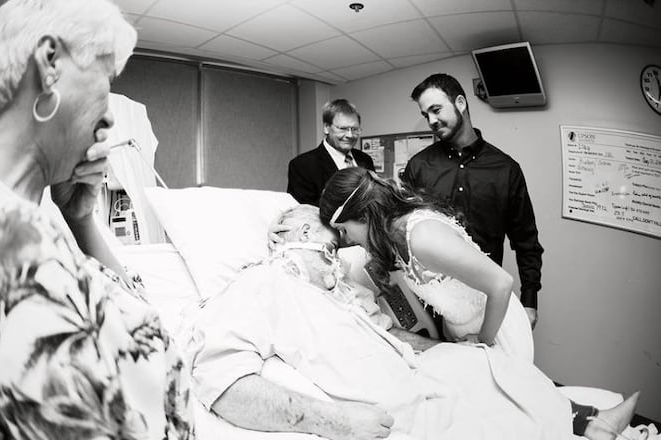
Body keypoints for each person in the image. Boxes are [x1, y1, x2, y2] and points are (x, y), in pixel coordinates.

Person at [0, 1, 193, 438]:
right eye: (105, 80)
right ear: (50, 64)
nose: (111, 114)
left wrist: (80, 221)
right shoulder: (15, 254)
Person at [187, 204, 639, 440]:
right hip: (402, 413)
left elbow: (383, 333)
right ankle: (583, 427)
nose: (340, 243)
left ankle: (587, 422)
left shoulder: (334, 289)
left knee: (488, 366)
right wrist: (335, 422)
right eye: (330, 230)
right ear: (298, 233)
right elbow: (221, 380)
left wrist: (442, 351)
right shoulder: (266, 285)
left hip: (417, 374)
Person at [320, 167, 533, 361]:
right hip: (460, 330)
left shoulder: (422, 237)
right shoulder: (394, 236)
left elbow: (501, 283)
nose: (346, 239)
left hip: (495, 329)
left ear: (365, 215)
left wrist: (482, 341)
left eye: (344, 230)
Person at [404, 73, 544, 329]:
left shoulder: (506, 170)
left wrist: (529, 300)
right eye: (426, 115)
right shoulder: (419, 166)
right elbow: (403, 232)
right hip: (428, 301)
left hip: (484, 304)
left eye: (436, 110)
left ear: (460, 102)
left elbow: (527, 243)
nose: (432, 121)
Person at [287, 99, 375, 206]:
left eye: (355, 129)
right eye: (343, 129)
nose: (350, 135)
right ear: (326, 128)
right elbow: (303, 212)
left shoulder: (365, 159)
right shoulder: (303, 165)